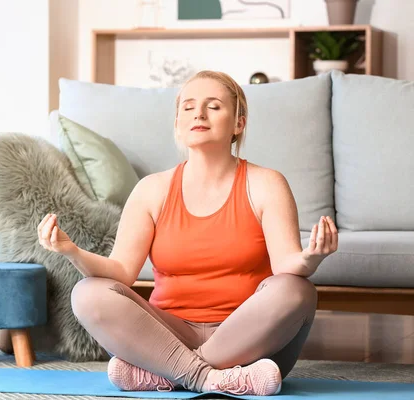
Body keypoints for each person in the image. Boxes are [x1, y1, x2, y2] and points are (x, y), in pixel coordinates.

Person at [36, 70, 338, 396]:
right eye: (189, 106)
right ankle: (212, 380)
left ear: (239, 123)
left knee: (298, 291)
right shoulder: (151, 190)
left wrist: (311, 258)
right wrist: (72, 251)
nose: (199, 114)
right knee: (87, 293)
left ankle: (169, 375)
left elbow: (285, 267)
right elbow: (121, 272)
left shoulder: (266, 183)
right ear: (178, 122)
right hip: (168, 335)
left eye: (214, 106)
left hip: (250, 340)